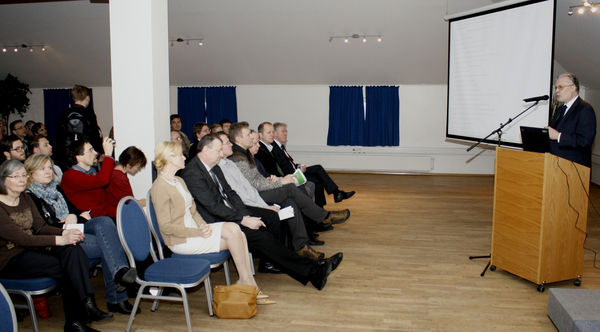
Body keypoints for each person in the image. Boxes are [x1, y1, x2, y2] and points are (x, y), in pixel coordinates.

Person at [181, 134, 343, 289]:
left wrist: (246, 214)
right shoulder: (193, 173)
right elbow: (213, 207)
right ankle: (312, 270)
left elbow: (231, 193)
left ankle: (312, 270)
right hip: (215, 223)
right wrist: (242, 219)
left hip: (230, 213)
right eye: (218, 151)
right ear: (205, 150)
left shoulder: (213, 166)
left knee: (268, 223)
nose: (221, 154)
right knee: (262, 236)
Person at [150, 141, 274, 304]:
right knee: (234, 233)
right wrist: (197, 232)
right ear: (170, 158)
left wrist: (203, 225)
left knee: (235, 229)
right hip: (181, 240)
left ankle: (247, 282)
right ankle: (249, 284)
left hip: (196, 231)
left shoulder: (178, 181)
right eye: (180, 154)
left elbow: (193, 211)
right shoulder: (159, 187)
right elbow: (166, 227)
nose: (184, 157)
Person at [0, 160, 111, 332]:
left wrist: (66, 232)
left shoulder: (25, 198)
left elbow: (40, 228)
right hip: (10, 258)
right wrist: (60, 239)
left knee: (72, 249)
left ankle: (80, 316)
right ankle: (80, 314)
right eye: (16, 176)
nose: (22, 179)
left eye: (24, 175)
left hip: (31, 251)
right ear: (4, 179)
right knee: (67, 266)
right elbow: (23, 239)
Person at [24, 154, 138, 315]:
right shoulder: (30, 196)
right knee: (109, 244)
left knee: (105, 222)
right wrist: (67, 222)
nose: (48, 171)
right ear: (30, 173)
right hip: (59, 238)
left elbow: (77, 212)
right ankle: (118, 296)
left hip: (74, 226)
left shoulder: (55, 189)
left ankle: (119, 278)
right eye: (42, 168)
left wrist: (72, 216)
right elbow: (41, 227)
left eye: (50, 167)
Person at [216, 131, 326, 259]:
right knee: (289, 189)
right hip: (252, 201)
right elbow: (246, 191)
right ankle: (321, 217)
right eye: (252, 140)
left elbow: (253, 184)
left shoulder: (235, 161)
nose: (255, 144)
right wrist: (274, 189)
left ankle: (301, 245)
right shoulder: (237, 159)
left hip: (258, 195)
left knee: (290, 203)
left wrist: (273, 179)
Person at [272, 122, 355, 207]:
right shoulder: (274, 148)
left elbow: (288, 163)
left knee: (318, 172)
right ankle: (335, 194)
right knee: (318, 174)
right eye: (283, 131)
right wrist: (298, 170)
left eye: (286, 131)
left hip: (295, 171)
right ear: (275, 133)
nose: (286, 134)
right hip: (292, 175)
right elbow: (283, 168)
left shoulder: (279, 146)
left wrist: (298, 166)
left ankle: (328, 200)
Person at [546, 73, 597, 167]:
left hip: (574, 168)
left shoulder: (585, 109)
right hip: (555, 165)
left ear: (573, 87)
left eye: (560, 87)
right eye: (556, 87)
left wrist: (558, 136)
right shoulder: (559, 109)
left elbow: (585, 141)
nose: (557, 91)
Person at [61, 137, 115, 219]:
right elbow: (102, 180)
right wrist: (107, 155)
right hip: (91, 220)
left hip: (105, 215)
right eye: (90, 150)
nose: (96, 153)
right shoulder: (70, 176)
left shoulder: (92, 171)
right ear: (79, 156)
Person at [54, 85, 103, 171]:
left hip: (66, 158)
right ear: (87, 97)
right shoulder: (89, 114)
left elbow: (58, 138)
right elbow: (94, 136)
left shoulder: (63, 115)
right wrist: (99, 153)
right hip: (85, 156)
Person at [105, 146, 147, 219]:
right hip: (116, 215)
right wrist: (146, 202)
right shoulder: (119, 178)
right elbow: (130, 202)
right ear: (128, 165)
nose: (139, 170)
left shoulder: (116, 173)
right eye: (138, 167)